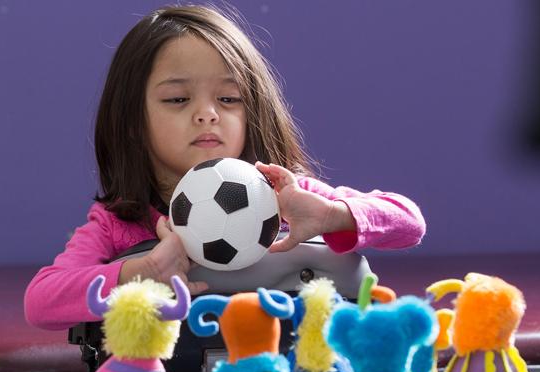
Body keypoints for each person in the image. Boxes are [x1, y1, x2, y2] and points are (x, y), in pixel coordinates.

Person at [24, 5, 426, 331]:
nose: (207, 114)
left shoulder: (288, 198)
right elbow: (41, 302)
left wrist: (333, 215)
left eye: (229, 98)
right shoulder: (118, 224)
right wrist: (140, 272)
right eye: (178, 99)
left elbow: (409, 223)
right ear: (131, 122)